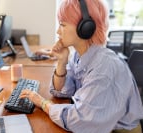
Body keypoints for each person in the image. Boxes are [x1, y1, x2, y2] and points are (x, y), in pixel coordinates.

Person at [19, 0, 143, 133]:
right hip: (100, 125)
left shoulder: (104, 68)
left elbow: (79, 120)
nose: (58, 31)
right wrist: (62, 61)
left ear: (85, 27)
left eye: (62, 25)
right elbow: (62, 91)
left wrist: (43, 103)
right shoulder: (79, 55)